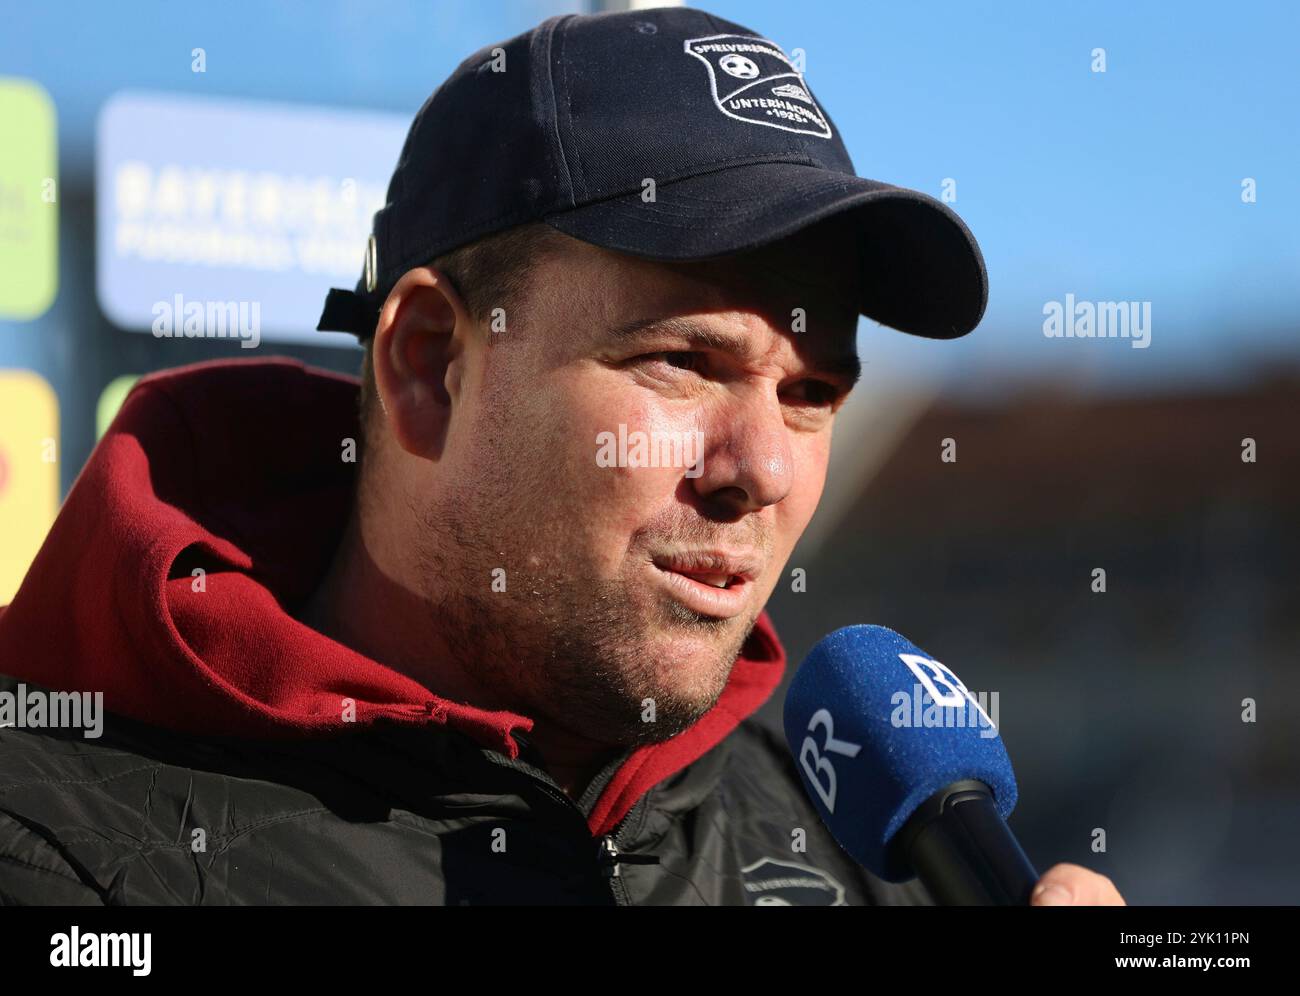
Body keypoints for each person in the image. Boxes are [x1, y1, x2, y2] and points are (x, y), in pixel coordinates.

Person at [0, 6, 1122, 906]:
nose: (764, 472)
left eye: (811, 393)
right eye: (684, 362)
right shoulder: (56, 855)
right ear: (432, 365)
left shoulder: (840, 847)